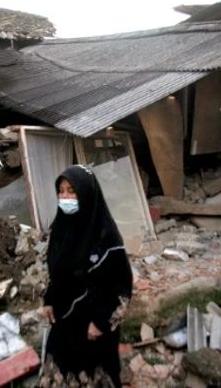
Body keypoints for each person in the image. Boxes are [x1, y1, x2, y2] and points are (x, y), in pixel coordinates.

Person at [39, 165, 133, 388]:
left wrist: (101, 323)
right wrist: (49, 301)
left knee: (93, 376)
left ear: (87, 193)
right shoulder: (61, 230)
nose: (65, 197)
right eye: (61, 191)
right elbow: (58, 274)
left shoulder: (107, 239)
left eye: (72, 191)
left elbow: (122, 288)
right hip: (64, 322)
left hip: (93, 327)